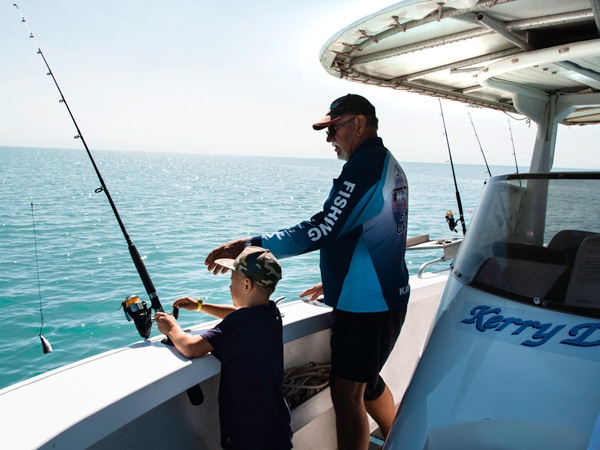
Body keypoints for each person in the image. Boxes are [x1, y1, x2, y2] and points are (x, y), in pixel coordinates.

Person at [204, 94, 410, 450]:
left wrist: (250, 243)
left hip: (366, 306)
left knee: (348, 395)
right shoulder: (387, 163)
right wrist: (337, 280)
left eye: (334, 129)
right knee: (366, 379)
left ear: (359, 124)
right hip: (382, 295)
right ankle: (400, 439)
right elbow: (376, 232)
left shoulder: (364, 166)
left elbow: (322, 228)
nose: (329, 139)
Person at [155, 246, 293, 450]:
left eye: (231, 281)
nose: (229, 287)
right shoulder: (270, 314)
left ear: (247, 285)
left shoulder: (241, 324)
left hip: (249, 435)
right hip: (276, 426)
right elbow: (236, 314)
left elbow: (191, 348)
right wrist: (200, 306)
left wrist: (172, 328)